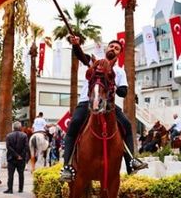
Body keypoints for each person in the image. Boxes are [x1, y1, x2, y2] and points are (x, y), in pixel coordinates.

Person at [59, 37, 147, 182]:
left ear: (119, 53)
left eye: (117, 48)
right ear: (107, 49)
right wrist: (76, 45)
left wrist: (114, 85)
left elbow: (124, 92)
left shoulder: (119, 71)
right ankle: (67, 167)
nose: (113, 48)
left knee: (126, 124)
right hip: (86, 102)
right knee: (73, 125)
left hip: (108, 105)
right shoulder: (95, 62)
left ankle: (131, 161)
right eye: (111, 46)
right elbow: (81, 56)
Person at [5, 121, 29, 194]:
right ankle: (20, 189)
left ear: (13, 127)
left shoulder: (9, 135)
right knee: (21, 174)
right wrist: (20, 156)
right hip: (21, 159)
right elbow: (26, 147)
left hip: (11, 158)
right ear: (20, 127)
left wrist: (16, 155)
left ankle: (10, 189)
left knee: (10, 175)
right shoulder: (24, 135)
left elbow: (8, 147)